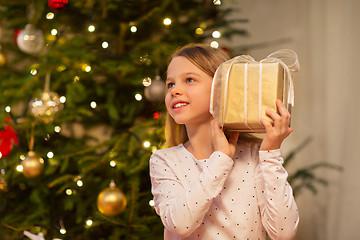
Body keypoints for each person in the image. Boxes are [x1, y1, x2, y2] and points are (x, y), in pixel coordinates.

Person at [149, 43, 299, 240]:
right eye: (171, 84)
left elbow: (284, 232)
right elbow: (180, 224)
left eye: (189, 80)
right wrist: (220, 160)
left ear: (222, 88)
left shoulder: (255, 155)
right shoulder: (164, 160)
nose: (175, 90)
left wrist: (271, 153)